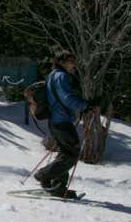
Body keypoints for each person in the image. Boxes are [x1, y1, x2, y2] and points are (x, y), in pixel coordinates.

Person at [33, 50, 95, 198]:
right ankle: (43, 175)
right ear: (61, 61)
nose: (73, 64)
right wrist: (85, 105)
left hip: (56, 121)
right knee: (71, 154)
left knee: (65, 153)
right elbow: (67, 98)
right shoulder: (61, 76)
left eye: (73, 61)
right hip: (61, 121)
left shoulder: (52, 75)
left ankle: (57, 186)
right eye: (70, 61)